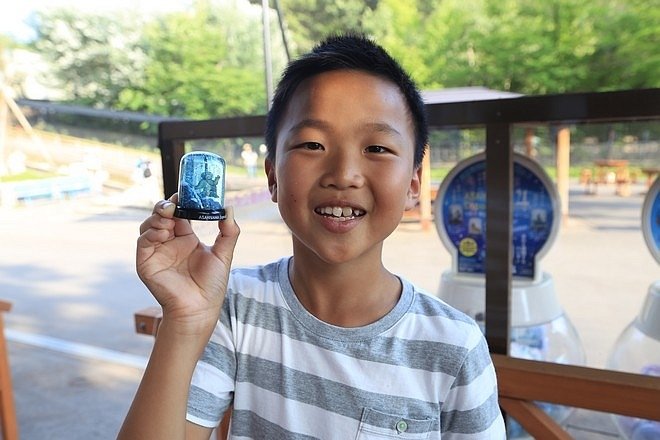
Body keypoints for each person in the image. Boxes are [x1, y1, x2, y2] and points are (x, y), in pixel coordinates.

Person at [118, 33, 505, 439]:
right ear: (273, 177)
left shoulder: (453, 347)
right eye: (312, 143)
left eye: (376, 148)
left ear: (413, 183)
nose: (343, 174)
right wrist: (185, 320)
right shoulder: (230, 308)